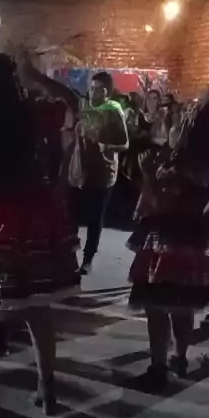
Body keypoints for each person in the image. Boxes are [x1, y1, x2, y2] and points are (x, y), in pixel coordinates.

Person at [0, 54, 80, 414]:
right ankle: (47, 389)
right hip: (36, 214)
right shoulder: (32, 115)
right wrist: (36, 75)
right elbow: (72, 103)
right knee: (38, 309)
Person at [127, 94, 209, 390]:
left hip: (167, 242)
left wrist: (148, 176)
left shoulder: (180, 167)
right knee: (183, 306)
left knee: (157, 307)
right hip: (195, 243)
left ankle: (158, 368)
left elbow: (162, 205)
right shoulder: (206, 165)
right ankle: (179, 357)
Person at [68, 71, 129, 273]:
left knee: (94, 218)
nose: (93, 92)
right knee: (72, 216)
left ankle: (87, 259)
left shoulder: (113, 111)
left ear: (107, 92)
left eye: (98, 89)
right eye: (91, 88)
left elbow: (125, 144)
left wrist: (107, 147)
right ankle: (68, 256)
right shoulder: (84, 107)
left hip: (103, 174)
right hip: (79, 171)